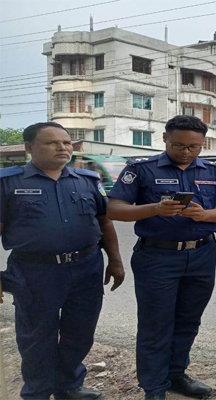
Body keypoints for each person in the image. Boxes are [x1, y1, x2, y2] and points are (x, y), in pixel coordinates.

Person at [107, 115, 216, 400]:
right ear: (165, 138)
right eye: (179, 145)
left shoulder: (215, 171)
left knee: (188, 320)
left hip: (202, 253)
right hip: (157, 256)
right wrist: (154, 208)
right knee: (156, 324)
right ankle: (154, 388)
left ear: (203, 144)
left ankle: (176, 375)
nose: (187, 151)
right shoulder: (141, 169)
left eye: (195, 146)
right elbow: (115, 208)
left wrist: (205, 215)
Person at [0, 122, 125, 400]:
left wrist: (115, 261)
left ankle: (69, 385)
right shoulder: (8, 182)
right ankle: (38, 391)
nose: (63, 147)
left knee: (80, 331)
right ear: (29, 147)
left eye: (67, 143)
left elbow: (105, 223)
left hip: (86, 267)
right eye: (52, 142)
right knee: (36, 336)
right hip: (34, 271)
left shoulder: (86, 180)